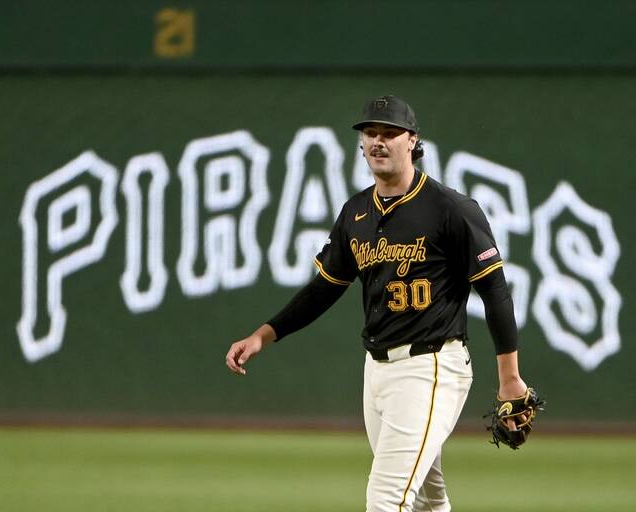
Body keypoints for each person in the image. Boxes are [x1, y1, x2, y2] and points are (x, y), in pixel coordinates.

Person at [226, 94, 528, 512]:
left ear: (413, 142)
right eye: (370, 133)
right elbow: (325, 288)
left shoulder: (450, 209)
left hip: (431, 366)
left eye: (390, 133)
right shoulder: (356, 213)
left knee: (386, 498)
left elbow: (494, 290)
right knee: (425, 497)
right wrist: (265, 334)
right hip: (378, 371)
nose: (378, 141)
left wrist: (509, 377)